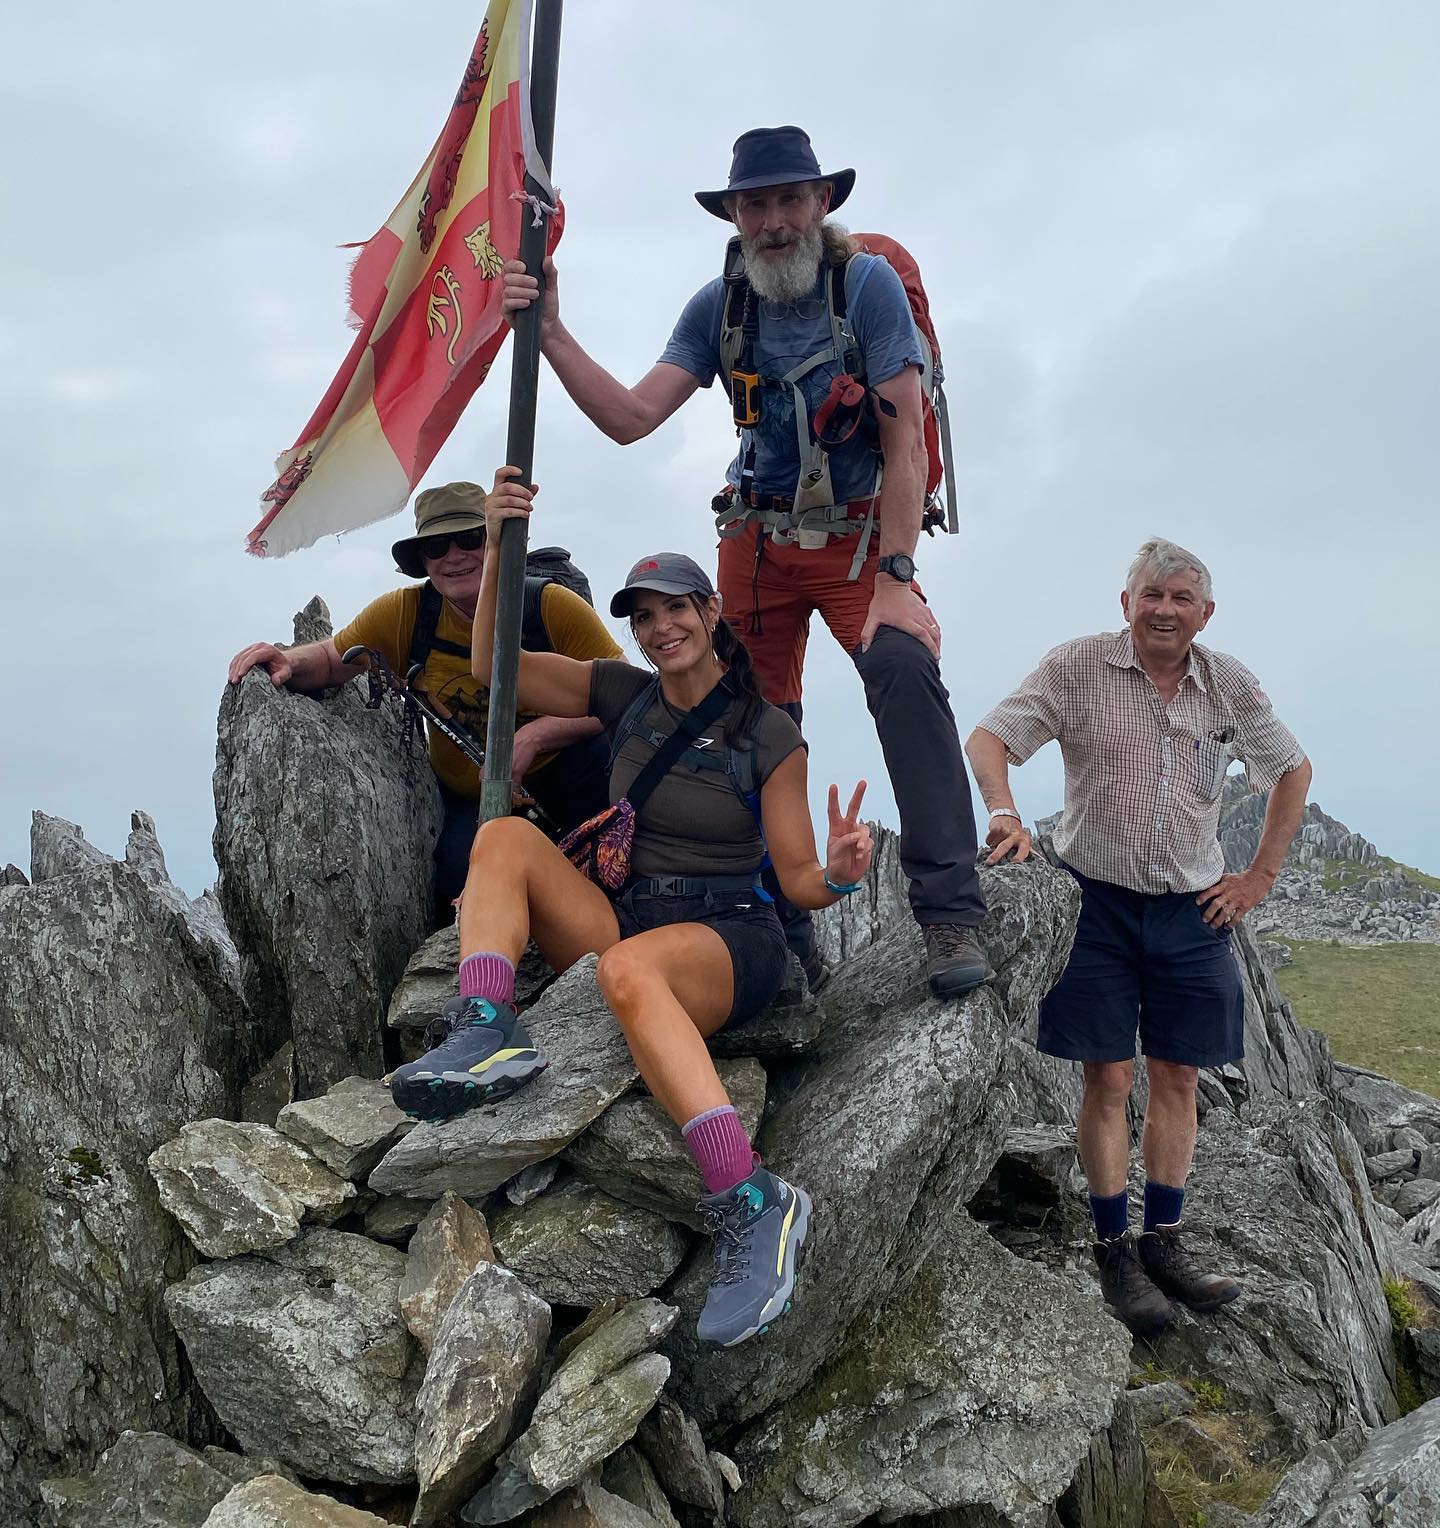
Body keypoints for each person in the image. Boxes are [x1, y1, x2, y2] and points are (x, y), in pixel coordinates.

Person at [389, 466, 874, 1347]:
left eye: (674, 608)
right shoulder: (622, 695)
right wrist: (502, 543)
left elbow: (798, 879)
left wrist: (839, 873)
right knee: (500, 838)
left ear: (709, 613)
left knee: (627, 969)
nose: (659, 628)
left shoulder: (768, 736)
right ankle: (488, 1025)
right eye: (643, 617)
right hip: (632, 910)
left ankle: (753, 1200)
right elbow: (493, 663)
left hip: (730, 937)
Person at [501, 124, 989, 998]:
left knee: (903, 669)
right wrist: (552, 333)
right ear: (731, 214)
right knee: (746, 726)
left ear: (823, 203)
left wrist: (898, 576)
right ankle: (781, 927)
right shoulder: (719, 308)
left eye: (788, 200)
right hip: (756, 546)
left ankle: (949, 915)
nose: (772, 221)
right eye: (753, 204)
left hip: (857, 542)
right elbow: (629, 417)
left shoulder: (866, 289)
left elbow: (905, 441)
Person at [965, 537, 1313, 1333]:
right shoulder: (1077, 667)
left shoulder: (1228, 685)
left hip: (1193, 908)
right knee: (1110, 1079)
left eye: (1180, 598)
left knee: (1180, 1077)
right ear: (1126, 604)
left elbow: (1291, 768)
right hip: (1096, 901)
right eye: (1150, 595)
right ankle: (1113, 1249)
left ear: (1204, 613)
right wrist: (1005, 813)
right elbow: (990, 739)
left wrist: (1258, 877)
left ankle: (1164, 1240)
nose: (1163, 610)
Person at [227, 480, 622, 918]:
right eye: (436, 547)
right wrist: (286, 662)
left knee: (615, 861)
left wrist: (535, 736)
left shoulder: (550, 606)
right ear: (423, 561)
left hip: (573, 775)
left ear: (497, 541)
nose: (454, 556)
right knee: (456, 887)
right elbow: (331, 657)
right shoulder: (407, 614)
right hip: (473, 802)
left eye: (471, 538)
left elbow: (627, 697)